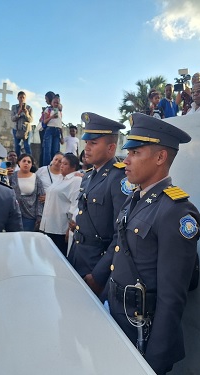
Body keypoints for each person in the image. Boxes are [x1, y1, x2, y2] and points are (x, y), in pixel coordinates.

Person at [108, 112, 200, 375]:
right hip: (118, 317)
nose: (126, 160)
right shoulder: (135, 198)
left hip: (142, 330)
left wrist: (155, 361)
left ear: (160, 158)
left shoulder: (175, 211)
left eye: (135, 152)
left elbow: (173, 297)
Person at [67, 112, 131, 296]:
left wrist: (99, 275)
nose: (86, 148)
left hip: (96, 264)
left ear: (111, 148)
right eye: (86, 142)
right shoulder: (88, 176)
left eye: (93, 143)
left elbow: (121, 234)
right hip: (78, 255)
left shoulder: (118, 177)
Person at [40, 153, 82, 256]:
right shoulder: (59, 178)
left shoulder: (75, 180)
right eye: (61, 163)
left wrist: (69, 228)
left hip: (60, 228)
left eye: (65, 164)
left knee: (57, 258)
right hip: (47, 225)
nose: (61, 166)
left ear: (73, 166)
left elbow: (75, 204)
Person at [9, 153, 44, 231]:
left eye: (29, 162)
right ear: (19, 162)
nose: (26, 163)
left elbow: (40, 198)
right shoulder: (12, 176)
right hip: (14, 215)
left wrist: (39, 216)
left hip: (30, 216)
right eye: (24, 161)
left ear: (32, 164)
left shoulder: (36, 178)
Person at [42, 96, 63, 167]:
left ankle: (55, 167)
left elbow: (60, 125)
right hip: (49, 130)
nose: (56, 104)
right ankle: (46, 167)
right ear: (51, 103)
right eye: (55, 102)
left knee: (56, 151)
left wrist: (62, 136)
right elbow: (44, 122)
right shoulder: (48, 110)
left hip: (57, 131)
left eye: (58, 102)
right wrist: (51, 117)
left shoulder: (60, 111)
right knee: (47, 151)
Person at [10, 90, 33, 156]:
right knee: (17, 147)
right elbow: (13, 119)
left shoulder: (29, 108)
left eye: (23, 97)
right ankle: (17, 162)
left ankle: (30, 162)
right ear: (18, 98)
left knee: (27, 146)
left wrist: (27, 113)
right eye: (20, 97)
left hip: (26, 130)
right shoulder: (14, 107)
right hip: (17, 129)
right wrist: (19, 113)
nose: (22, 99)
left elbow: (31, 120)